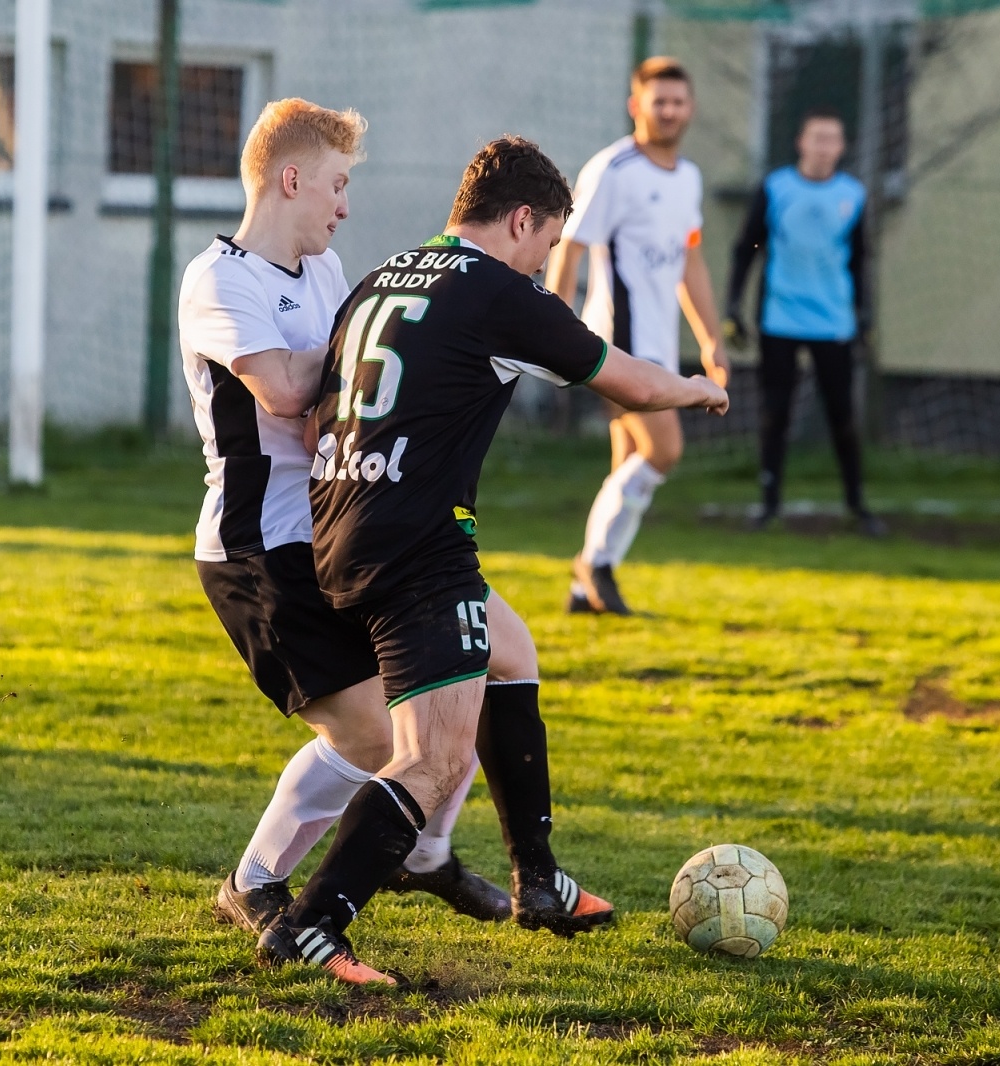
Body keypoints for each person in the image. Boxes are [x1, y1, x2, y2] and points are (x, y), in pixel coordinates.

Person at [256, 136, 729, 986]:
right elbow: (627, 381)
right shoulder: (503, 294)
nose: (546, 264)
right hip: (417, 550)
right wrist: (697, 386)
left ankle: (538, 879)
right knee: (431, 761)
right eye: (547, 245)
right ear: (521, 222)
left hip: (341, 527)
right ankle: (312, 924)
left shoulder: (385, 274)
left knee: (513, 655)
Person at [177, 99, 510, 939]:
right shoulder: (218, 279)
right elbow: (290, 392)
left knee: (464, 682)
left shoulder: (327, 275)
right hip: (259, 553)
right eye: (336, 184)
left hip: (340, 533)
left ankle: (421, 854)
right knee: (371, 735)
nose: (345, 205)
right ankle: (257, 883)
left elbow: (345, 396)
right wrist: (348, 373)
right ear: (291, 179)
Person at [547, 57, 731, 616]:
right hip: (615, 342)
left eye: (678, 101)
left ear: (690, 108)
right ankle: (596, 564)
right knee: (665, 449)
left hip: (657, 341)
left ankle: (587, 590)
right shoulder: (613, 169)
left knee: (628, 460)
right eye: (659, 101)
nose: (670, 111)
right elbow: (570, 247)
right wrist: (556, 325)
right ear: (637, 106)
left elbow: (690, 262)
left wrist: (711, 340)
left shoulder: (689, 177)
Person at [725, 108, 885, 536]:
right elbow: (748, 246)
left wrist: (865, 316)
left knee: (843, 417)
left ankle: (856, 503)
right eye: (816, 137)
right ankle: (768, 502)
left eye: (832, 139)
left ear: (842, 147)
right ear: (801, 142)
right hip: (780, 319)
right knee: (774, 414)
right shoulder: (776, 188)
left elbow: (860, 261)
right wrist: (733, 305)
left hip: (834, 322)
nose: (823, 146)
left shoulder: (853, 194)